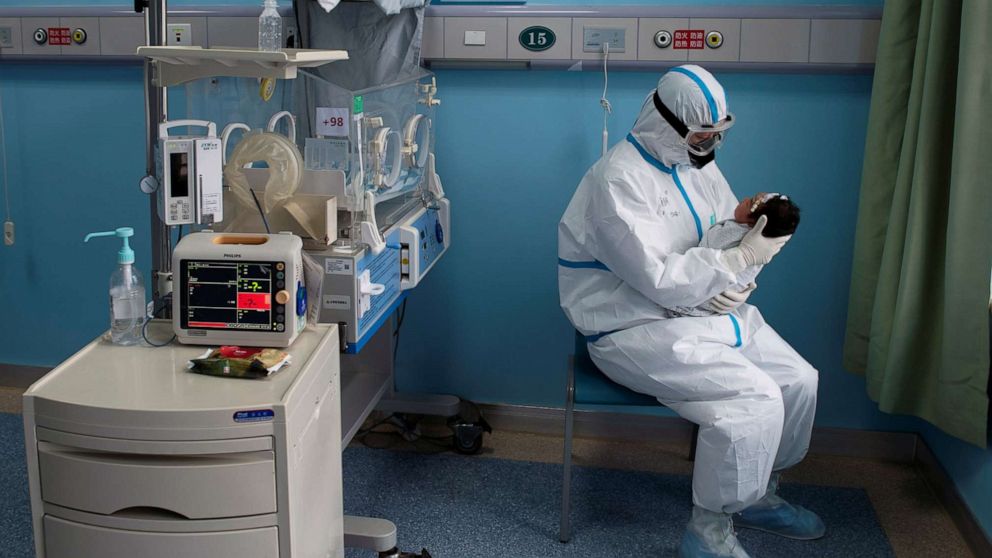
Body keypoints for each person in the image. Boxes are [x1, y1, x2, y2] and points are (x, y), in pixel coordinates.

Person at [558, 65, 824, 558]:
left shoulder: (696, 166)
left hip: (698, 314)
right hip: (630, 327)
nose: (710, 146)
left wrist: (743, 245)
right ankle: (708, 532)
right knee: (755, 400)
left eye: (718, 135)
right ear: (668, 123)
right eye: (703, 135)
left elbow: (715, 236)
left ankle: (761, 491)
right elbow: (660, 281)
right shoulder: (615, 182)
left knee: (798, 381)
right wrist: (736, 261)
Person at [671, 193, 801, 317]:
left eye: (749, 202)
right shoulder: (746, 235)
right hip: (677, 292)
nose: (744, 199)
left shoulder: (745, 240)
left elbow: (718, 254)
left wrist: (742, 285)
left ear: (754, 223)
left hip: (701, 301)